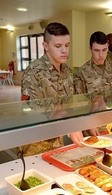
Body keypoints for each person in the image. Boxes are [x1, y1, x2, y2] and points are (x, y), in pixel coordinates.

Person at [20, 22, 74, 156]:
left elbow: (70, 102)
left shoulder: (66, 70)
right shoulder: (33, 72)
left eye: (67, 45)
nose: (64, 50)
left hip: (57, 138)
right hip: (36, 144)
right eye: (58, 46)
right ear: (45, 46)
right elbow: (29, 114)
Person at [71, 31, 112, 145]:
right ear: (90, 49)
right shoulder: (82, 72)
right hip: (92, 127)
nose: (101, 55)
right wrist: (89, 123)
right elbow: (79, 105)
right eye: (96, 50)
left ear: (108, 47)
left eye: (104, 50)